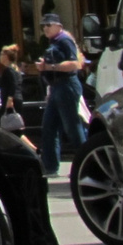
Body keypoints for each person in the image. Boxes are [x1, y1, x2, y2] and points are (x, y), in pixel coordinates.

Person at [37, 12, 88, 177]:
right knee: (49, 127)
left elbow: (75, 64)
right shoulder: (54, 42)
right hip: (56, 86)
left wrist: (50, 67)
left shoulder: (64, 40)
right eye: (43, 25)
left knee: (72, 127)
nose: (45, 28)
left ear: (58, 26)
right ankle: (50, 166)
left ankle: (88, 164)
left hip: (67, 85)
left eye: (49, 25)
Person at [0, 43, 24, 123]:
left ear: (6, 56)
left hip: (11, 102)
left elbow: (13, 84)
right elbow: (2, 84)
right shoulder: (15, 68)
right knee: (16, 129)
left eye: (2, 54)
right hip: (17, 99)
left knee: (7, 129)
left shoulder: (9, 69)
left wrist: (9, 99)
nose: (0, 56)